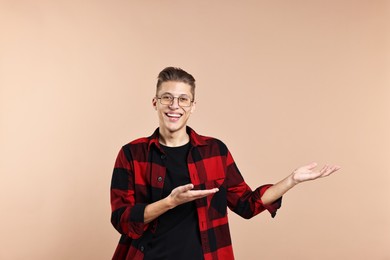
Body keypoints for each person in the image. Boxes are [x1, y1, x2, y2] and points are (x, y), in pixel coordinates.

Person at [110, 67, 340, 260]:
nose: (174, 105)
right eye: (166, 97)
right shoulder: (132, 153)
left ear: (192, 106)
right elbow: (122, 219)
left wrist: (291, 180)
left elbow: (246, 205)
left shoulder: (214, 151)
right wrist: (170, 202)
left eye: (183, 99)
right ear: (155, 102)